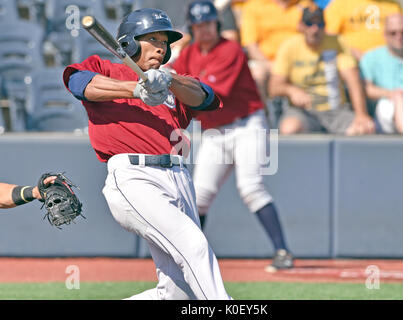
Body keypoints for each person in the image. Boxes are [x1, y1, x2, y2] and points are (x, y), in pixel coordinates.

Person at [63, 8, 231, 300]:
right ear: (128, 43)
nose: (160, 47)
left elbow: (206, 97)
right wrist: (135, 89)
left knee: (179, 293)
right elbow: (79, 83)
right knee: (194, 245)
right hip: (134, 177)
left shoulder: (170, 82)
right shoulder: (106, 69)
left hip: (179, 177)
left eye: (164, 42)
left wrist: (168, 81)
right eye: (151, 38)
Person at [172, 0, 294, 272]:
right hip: (214, 132)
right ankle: (188, 257)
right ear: (192, 27)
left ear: (217, 23)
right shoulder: (189, 53)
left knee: (251, 188)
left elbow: (209, 95)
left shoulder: (231, 50)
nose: (205, 29)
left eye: (209, 23)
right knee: (199, 197)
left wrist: (170, 81)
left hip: (246, 126)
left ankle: (282, 251)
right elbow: (176, 78)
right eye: (199, 24)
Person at [269, 6, 375, 135]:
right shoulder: (289, 46)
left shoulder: (337, 42)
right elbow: (273, 88)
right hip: (303, 112)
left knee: (363, 129)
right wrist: (291, 90)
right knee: (289, 128)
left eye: (320, 24)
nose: (315, 29)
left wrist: (361, 114)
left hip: (336, 111)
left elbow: (353, 79)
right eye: (309, 24)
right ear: (301, 26)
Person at [239, 0, 306, 99]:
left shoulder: (304, 5)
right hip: (266, 61)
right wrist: (272, 66)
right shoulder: (254, 6)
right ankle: (262, 112)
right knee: (258, 74)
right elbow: (251, 44)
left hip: (299, 60)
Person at [324, 0, 403, 61]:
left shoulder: (393, 5)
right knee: (345, 62)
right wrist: (351, 51)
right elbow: (330, 37)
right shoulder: (340, 3)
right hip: (354, 64)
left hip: (388, 62)